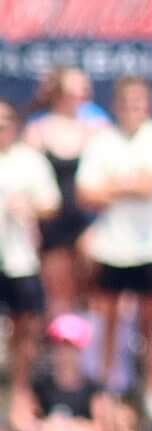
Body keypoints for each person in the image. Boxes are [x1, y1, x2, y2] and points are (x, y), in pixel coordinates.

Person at [75, 78, 152, 423]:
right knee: (108, 317)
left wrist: (115, 185)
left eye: (140, 103)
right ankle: (108, 385)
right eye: (127, 103)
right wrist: (134, 184)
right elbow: (86, 194)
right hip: (113, 246)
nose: (133, 110)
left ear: (150, 106)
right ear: (117, 106)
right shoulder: (102, 141)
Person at [0, 101, 61, 410]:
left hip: (19, 257)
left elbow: (51, 203)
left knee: (26, 326)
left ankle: (20, 391)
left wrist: (29, 208)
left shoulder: (30, 161)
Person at [25, 70, 99, 318]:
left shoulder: (98, 129)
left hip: (88, 222)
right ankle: (64, 355)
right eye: (75, 92)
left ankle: (91, 353)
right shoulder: (37, 131)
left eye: (84, 92)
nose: (81, 97)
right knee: (59, 297)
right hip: (53, 223)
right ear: (58, 94)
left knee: (94, 295)